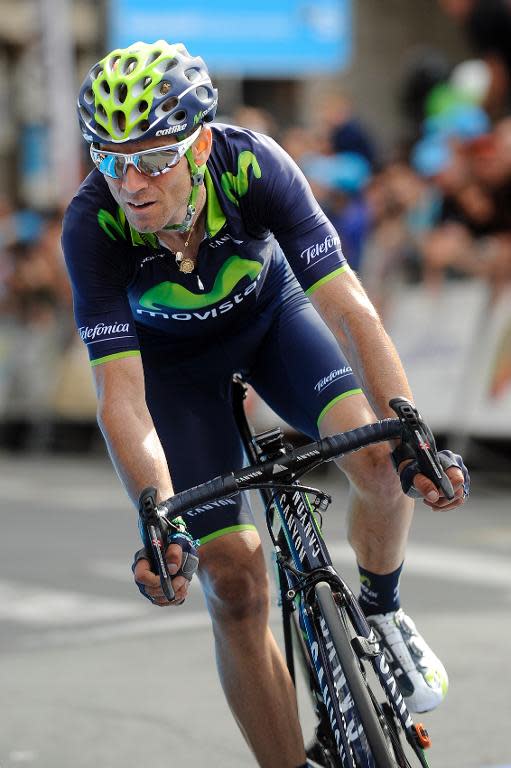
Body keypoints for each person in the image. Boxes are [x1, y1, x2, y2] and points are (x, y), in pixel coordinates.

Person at [63, 40, 469, 768]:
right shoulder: (92, 224)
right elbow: (121, 397)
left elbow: (349, 310)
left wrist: (409, 423)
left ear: (201, 145)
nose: (131, 180)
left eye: (154, 157)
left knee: (379, 463)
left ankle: (382, 612)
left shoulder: (252, 164)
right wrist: (157, 515)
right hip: (174, 374)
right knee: (233, 582)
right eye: (110, 157)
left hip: (271, 324)